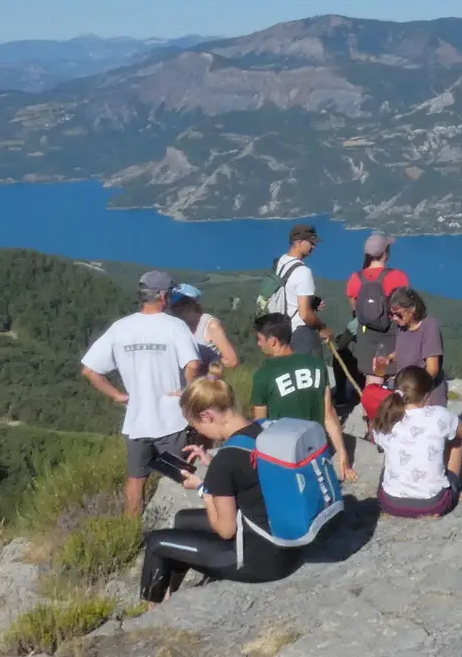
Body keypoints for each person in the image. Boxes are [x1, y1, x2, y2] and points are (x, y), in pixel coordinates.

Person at [138, 378, 296, 601]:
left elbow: (225, 530)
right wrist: (213, 466)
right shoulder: (262, 430)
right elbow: (249, 473)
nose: (198, 433)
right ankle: (170, 597)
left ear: (207, 416)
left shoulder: (227, 459)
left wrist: (205, 489)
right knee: (183, 519)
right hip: (286, 543)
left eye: (196, 426)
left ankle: (152, 613)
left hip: (260, 561)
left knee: (157, 543)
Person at [80, 270, 204, 517]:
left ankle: (131, 529)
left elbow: (90, 370)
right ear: (163, 297)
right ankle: (178, 525)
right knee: (179, 475)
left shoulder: (120, 328)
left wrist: (118, 396)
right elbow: (192, 365)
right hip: (172, 418)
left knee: (136, 479)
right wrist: (189, 392)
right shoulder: (175, 326)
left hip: (137, 419)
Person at [249, 313, 357, 481]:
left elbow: (261, 425)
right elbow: (329, 414)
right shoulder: (317, 365)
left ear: (272, 341)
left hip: (285, 456)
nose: (258, 344)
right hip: (317, 449)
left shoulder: (263, 376)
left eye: (260, 339)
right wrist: (343, 457)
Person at [371, 365, 462, 519]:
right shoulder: (439, 415)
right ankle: (450, 487)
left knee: (391, 448)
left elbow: (377, 438)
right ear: (426, 396)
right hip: (434, 505)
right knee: (458, 441)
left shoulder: (387, 417)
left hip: (389, 503)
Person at [345, 230, 409, 376]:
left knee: (371, 376)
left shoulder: (356, 278)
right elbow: (406, 307)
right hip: (391, 333)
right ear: (385, 253)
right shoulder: (398, 276)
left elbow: (355, 307)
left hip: (366, 333)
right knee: (390, 376)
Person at [373, 287, 450, 407]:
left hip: (426, 394)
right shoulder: (403, 326)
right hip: (407, 390)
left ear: (412, 309)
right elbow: (406, 351)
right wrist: (389, 359)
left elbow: (432, 369)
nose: (394, 318)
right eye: (391, 314)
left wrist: (413, 390)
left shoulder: (429, 327)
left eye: (398, 314)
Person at [267, 223, 327, 356]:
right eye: (311, 242)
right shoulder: (303, 272)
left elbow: (285, 291)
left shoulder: (280, 263)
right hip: (301, 336)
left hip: (281, 336)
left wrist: (310, 300)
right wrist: (323, 328)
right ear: (300, 242)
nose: (314, 246)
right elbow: (305, 314)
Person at [167, 283, 239, 374]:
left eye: (177, 307)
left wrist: (212, 366)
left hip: (207, 384)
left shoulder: (210, 325)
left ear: (191, 305)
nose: (174, 312)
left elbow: (232, 361)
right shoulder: (179, 326)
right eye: (172, 308)